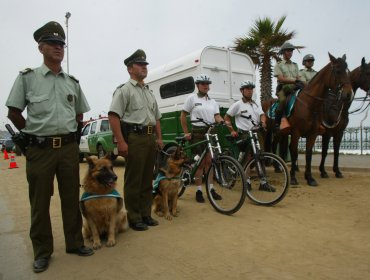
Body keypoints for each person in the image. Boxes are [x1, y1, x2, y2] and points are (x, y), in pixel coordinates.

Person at [5, 21, 93, 273]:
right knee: (40, 201)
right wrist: (31, 134)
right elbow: (13, 111)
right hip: (39, 150)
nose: (58, 48)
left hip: (67, 148)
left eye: (61, 44)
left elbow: (79, 115)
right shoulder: (28, 78)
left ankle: (75, 243)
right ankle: (42, 252)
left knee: (70, 197)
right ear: (41, 48)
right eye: (53, 44)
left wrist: (73, 137)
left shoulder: (72, 82)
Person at [108, 49, 163, 231]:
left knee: (148, 179)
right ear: (130, 69)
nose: (144, 67)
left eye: (146, 64)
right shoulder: (124, 91)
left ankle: (146, 214)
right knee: (134, 179)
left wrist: (159, 138)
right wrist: (121, 142)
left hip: (149, 138)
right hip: (135, 137)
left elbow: (156, 118)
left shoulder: (148, 92)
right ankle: (134, 216)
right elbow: (114, 116)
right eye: (140, 64)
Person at [224, 81, 275, 192]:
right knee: (246, 159)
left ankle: (263, 183)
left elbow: (262, 115)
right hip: (244, 134)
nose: (249, 90)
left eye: (251, 88)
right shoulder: (237, 104)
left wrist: (263, 121)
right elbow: (226, 117)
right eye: (247, 88)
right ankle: (247, 182)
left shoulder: (256, 103)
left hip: (257, 133)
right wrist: (232, 130)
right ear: (242, 91)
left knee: (260, 157)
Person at [180, 74, 223, 203]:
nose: (205, 86)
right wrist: (186, 132)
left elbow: (217, 116)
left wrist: (221, 121)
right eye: (203, 83)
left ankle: (211, 189)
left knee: (210, 162)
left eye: (207, 84)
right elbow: (183, 116)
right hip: (197, 132)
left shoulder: (213, 101)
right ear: (197, 85)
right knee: (200, 163)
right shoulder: (191, 98)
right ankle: (199, 190)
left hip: (210, 131)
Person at [274, 41, 302, 130]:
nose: (290, 53)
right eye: (288, 51)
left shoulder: (295, 65)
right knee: (282, 102)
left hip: (295, 88)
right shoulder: (278, 65)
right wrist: (295, 80)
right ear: (283, 52)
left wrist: (301, 82)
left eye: (291, 51)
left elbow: (298, 77)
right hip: (283, 89)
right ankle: (277, 123)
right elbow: (281, 79)